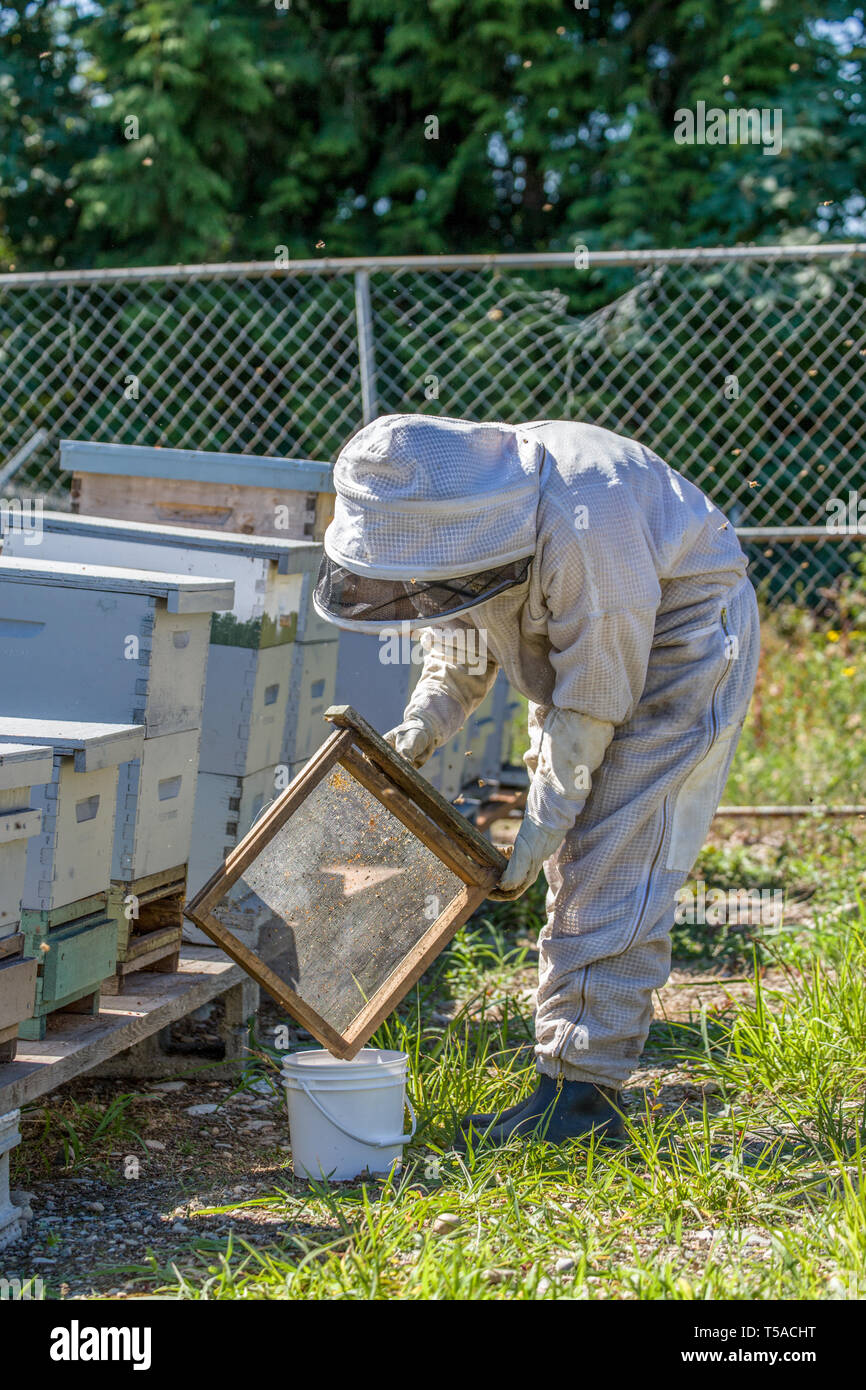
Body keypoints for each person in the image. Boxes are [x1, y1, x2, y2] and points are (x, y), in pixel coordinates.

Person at [313, 414, 759, 1146]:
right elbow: (458, 640)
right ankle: (564, 1078)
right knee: (576, 861)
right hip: (579, 662)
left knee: (614, 856)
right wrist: (419, 728)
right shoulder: (467, 510)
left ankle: (584, 1103)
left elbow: (591, 706)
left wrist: (541, 828)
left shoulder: (588, 522)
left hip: (684, 645)